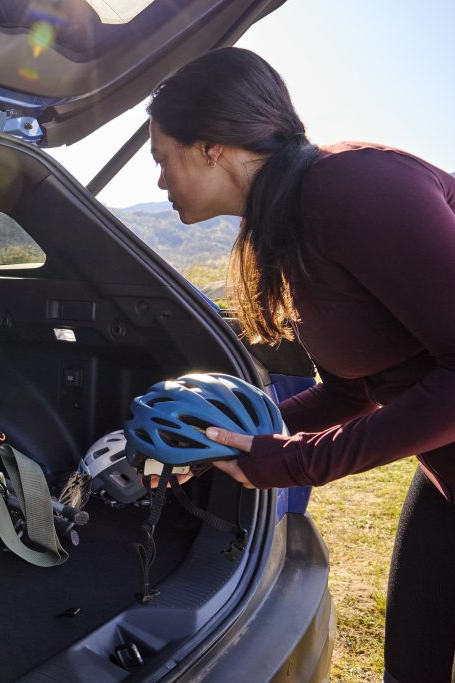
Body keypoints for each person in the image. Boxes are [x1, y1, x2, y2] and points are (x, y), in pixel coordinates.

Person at [145, 47, 455, 683]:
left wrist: (296, 461)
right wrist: (220, 443)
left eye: (160, 159)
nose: (158, 182)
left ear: (210, 147)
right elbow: (350, 391)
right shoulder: (282, 230)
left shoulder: (355, 187)